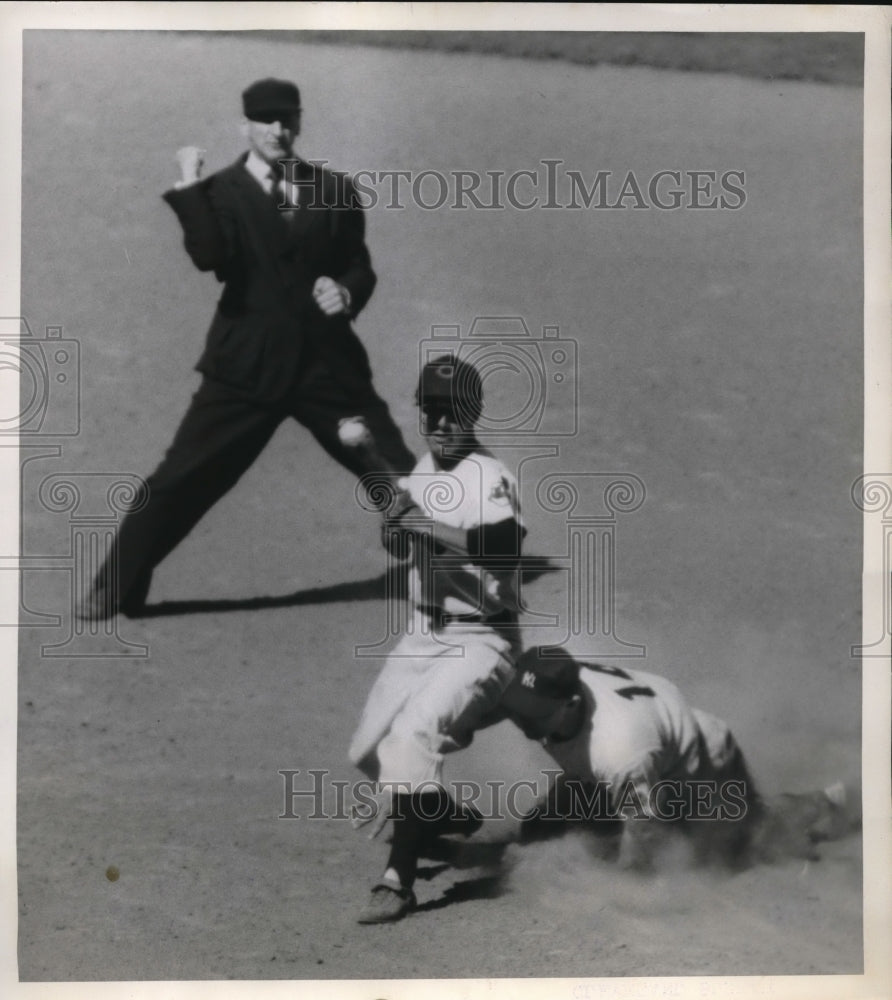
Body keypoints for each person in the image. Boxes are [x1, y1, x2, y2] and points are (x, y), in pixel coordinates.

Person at [76, 77, 414, 620]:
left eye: (287, 120)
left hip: (326, 366)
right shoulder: (220, 192)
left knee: (399, 473)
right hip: (246, 368)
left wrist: (347, 290)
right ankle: (116, 581)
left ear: (299, 123)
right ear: (246, 127)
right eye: (266, 121)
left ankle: (464, 567)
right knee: (181, 478)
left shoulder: (335, 189)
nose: (278, 131)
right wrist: (188, 185)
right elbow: (210, 257)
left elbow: (359, 263)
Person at [348, 355, 525, 924]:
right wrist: (399, 529)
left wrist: (424, 524)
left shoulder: (491, 479)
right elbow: (410, 547)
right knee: (369, 752)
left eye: (454, 413)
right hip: (423, 634)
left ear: (472, 415)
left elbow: (500, 550)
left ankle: (398, 881)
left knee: (412, 736)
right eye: (432, 411)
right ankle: (436, 808)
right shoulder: (423, 471)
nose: (442, 423)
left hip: (482, 640)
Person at [494, 647, 851, 869]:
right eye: (518, 706)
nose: (521, 718)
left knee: (743, 844)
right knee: (539, 831)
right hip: (653, 743)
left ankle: (825, 803)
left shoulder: (619, 748)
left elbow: (644, 838)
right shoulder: (558, 683)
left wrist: (616, 889)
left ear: (572, 704)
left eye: (534, 712)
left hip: (698, 769)